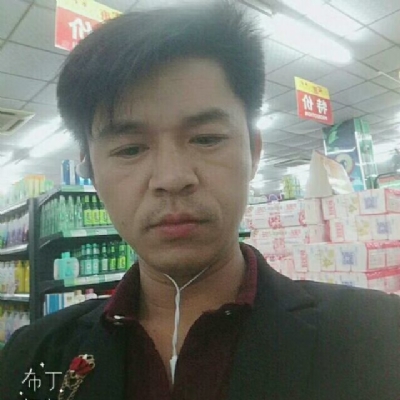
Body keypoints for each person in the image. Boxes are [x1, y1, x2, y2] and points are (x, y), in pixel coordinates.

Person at [1, 1, 399, 399]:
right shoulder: (31, 359)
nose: (172, 179)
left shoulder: (378, 339)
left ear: (253, 151)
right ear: (88, 167)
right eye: (130, 149)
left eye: (206, 139)